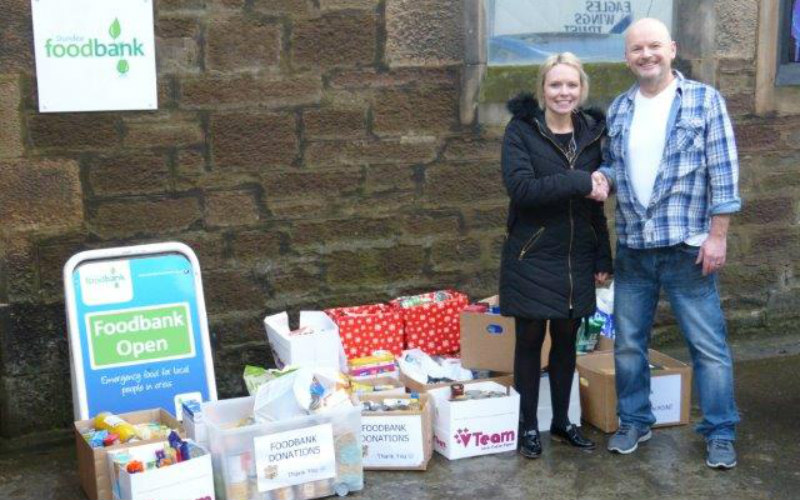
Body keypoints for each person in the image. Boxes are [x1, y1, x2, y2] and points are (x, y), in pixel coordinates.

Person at [591, 18, 742, 469]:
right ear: (627, 57)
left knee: (708, 348)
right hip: (635, 248)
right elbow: (616, 167)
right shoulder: (618, 109)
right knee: (629, 345)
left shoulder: (703, 101)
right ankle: (635, 420)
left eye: (654, 46)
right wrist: (603, 177)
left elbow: (725, 175)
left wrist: (718, 237)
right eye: (637, 49)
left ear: (672, 49)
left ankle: (720, 432)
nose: (646, 55)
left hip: (687, 248)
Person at [499, 52, 612, 459]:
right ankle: (527, 425)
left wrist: (603, 256)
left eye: (571, 85)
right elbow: (523, 190)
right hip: (531, 252)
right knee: (529, 340)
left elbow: (594, 204)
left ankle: (562, 421)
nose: (563, 93)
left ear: (581, 89)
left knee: (567, 341)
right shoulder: (521, 131)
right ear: (543, 89)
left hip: (577, 254)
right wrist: (580, 179)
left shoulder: (593, 133)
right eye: (555, 85)